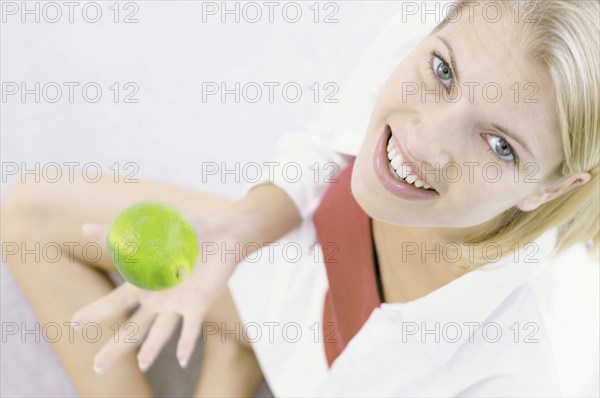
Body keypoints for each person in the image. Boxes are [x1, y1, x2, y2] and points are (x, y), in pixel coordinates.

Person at [2, 0, 598, 396]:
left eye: (498, 145)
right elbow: (324, 146)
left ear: (552, 186)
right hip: (287, 268)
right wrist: (236, 234)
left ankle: (237, 354)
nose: (422, 140)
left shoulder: (526, 367)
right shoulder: (441, 34)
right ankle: (240, 350)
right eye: (444, 73)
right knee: (30, 213)